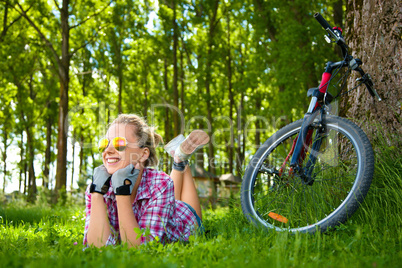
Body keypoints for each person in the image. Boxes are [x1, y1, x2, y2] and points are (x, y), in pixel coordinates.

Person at [83, 114, 210, 248]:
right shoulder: (97, 187)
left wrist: (122, 192)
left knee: (184, 206)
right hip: (164, 203)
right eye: (104, 143)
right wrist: (97, 193)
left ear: (143, 154)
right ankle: (179, 157)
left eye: (119, 143)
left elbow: (140, 250)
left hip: (182, 216)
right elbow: (96, 248)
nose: (107, 150)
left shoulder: (160, 183)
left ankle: (180, 159)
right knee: (172, 196)